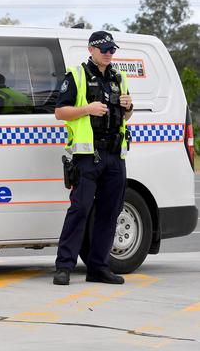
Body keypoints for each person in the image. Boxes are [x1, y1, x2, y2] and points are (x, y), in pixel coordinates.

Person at [53, 31, 133, 285]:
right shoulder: (76, 76)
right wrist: (87, 109)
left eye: (112, 49)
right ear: (91, 50)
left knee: (110, 213)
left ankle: (98, 267)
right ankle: (64, 266)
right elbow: (60, 112)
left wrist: (128, 107)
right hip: (88, 156)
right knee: (80, 209)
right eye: (104, 49)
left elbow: (125, 117)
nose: (109, 53)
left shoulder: (119, 78)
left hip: (114, 155)